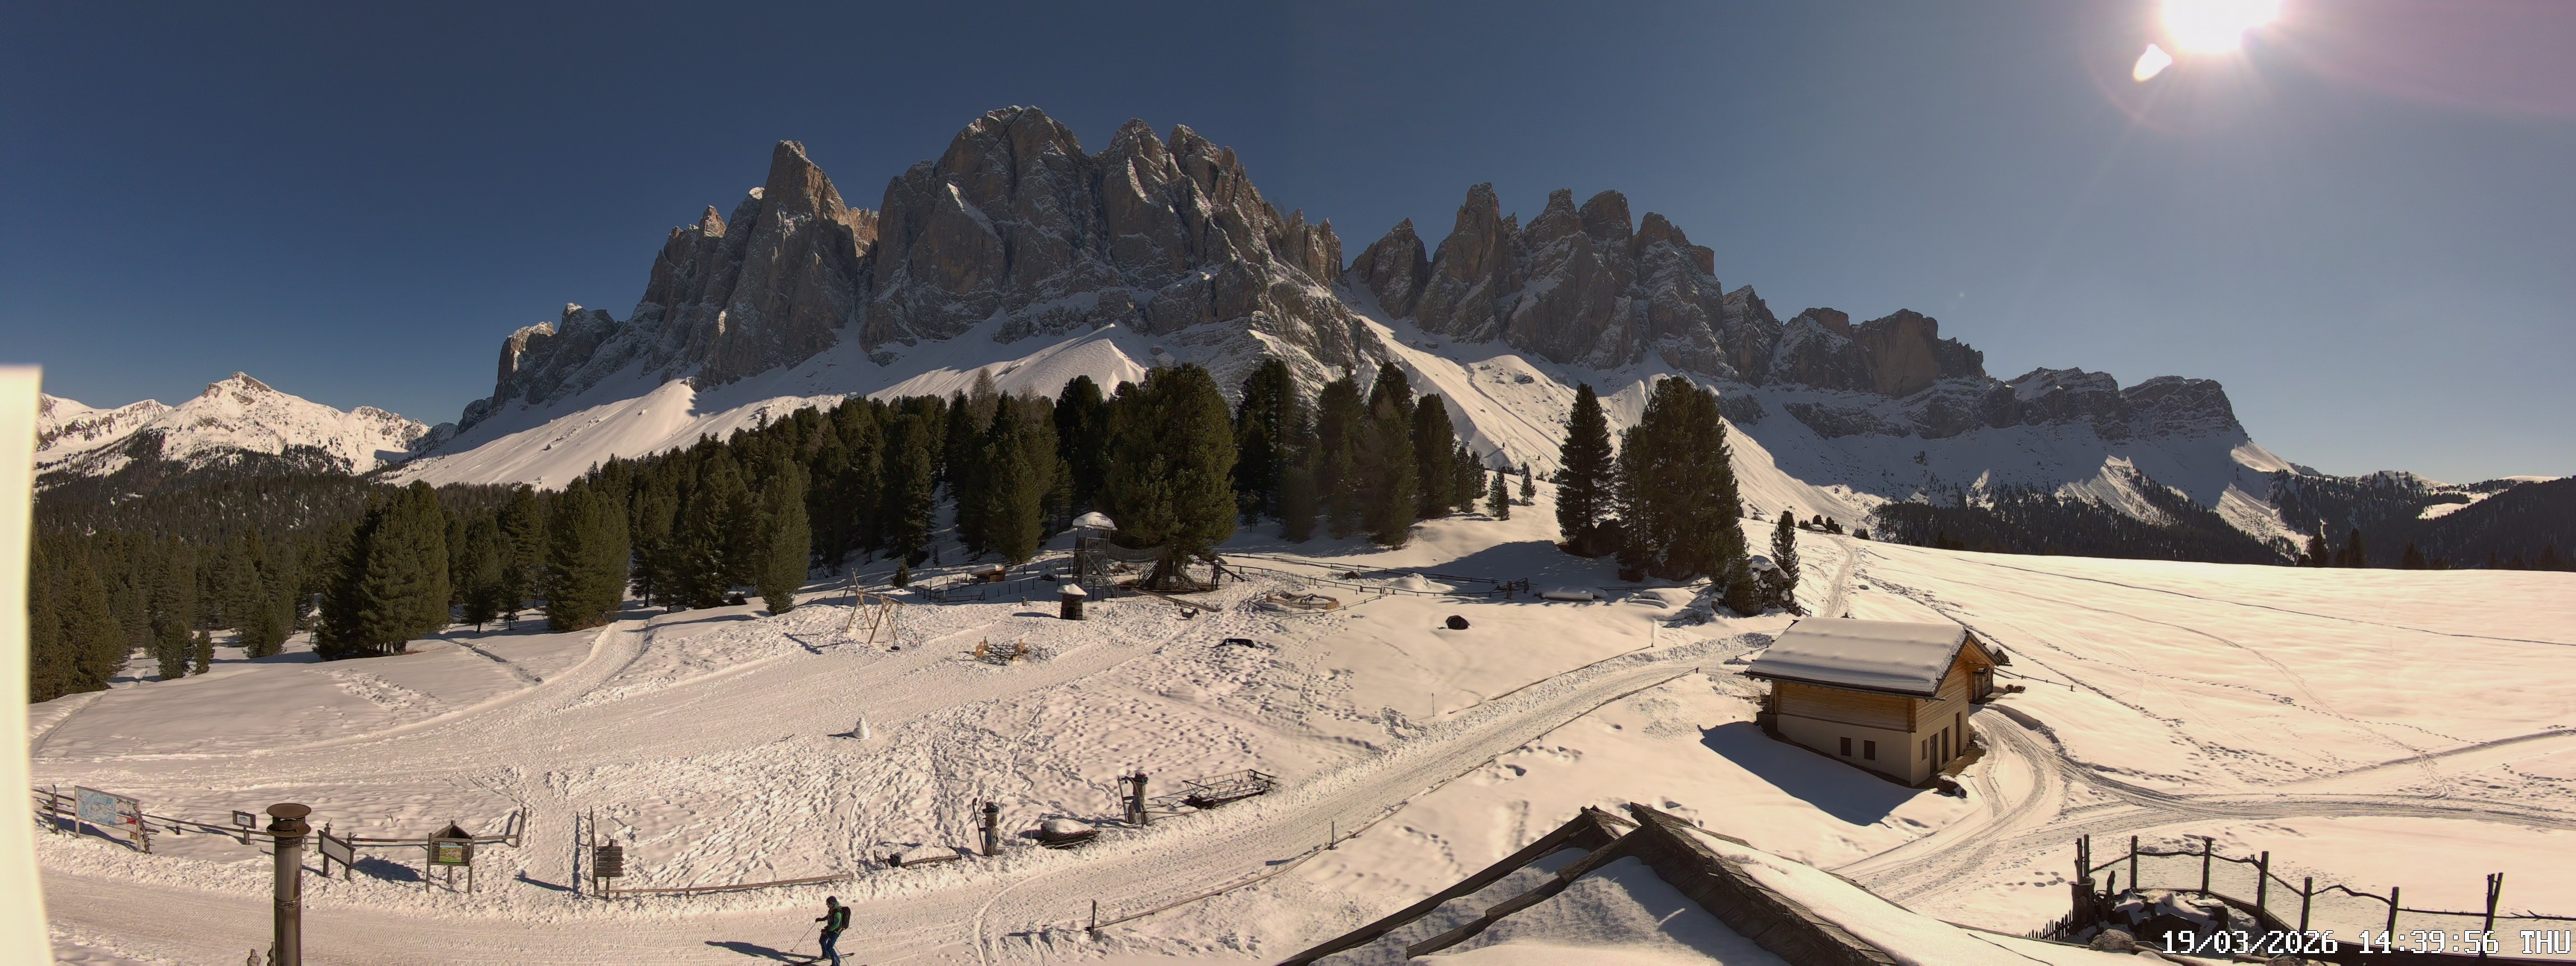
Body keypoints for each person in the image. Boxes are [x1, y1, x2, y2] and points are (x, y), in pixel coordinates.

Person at [815, 896, 850, 965]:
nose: (827, 905)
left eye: (828, 904)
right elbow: (829, 916)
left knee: (829, 947)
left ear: (832, 904)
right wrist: (822, 919)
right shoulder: (832, 909)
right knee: (822, 940)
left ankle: (837, 963)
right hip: (830, 928)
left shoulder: (838, 913)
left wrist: (827, 930)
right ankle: (826, 955)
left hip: (836, 931)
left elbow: (836, 925)